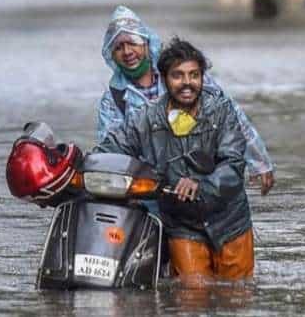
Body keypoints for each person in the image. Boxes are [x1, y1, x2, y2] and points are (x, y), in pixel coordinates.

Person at [97, 37, 254, 284]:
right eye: (178, 76)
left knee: (237, 296)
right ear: (164, 79)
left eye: (194, 75)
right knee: (191, 296)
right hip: (182, 225)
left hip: (230, 222)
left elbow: (233, 165)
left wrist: (201, 185)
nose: (187, 83)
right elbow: (110, 148)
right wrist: (78, 166)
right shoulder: (147, 118)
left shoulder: (221, 110)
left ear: (202, 77)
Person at [96, 6, 275, 196]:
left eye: (133, 43)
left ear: (147, 44)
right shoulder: (113, 99)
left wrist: (259, 163)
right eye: (118, 47)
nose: (127, 52)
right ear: (112, 55)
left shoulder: (185, 76)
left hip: (202, 179)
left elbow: (232, 119)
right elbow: (111, 151)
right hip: (148, 189)